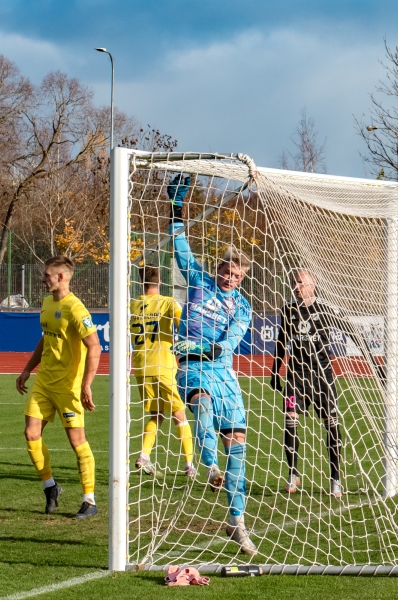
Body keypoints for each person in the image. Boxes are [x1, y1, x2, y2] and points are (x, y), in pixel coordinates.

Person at [166, 175, 256, 555]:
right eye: (225, 270)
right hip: (192, 368)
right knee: (200, 403)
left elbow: (229, 343)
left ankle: (237, 522)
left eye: (235, 274)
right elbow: (180, 247)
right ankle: (210, 467)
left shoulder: (244, 307)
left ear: (242, 277)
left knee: (238, 442)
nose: (228, 277)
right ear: (218, 268)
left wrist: (208, 345)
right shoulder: (199, 281)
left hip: (223, 373)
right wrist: (176, 208)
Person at [269, 269, 386, 497]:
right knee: (290, 420)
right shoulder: (288, 309)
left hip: (322, 377)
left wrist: (375, 365)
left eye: (301, 283)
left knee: (331, 424)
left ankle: (335, 478)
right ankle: (293, 473)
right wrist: (275, 372)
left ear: (313, 285)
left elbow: (354, 334)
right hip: (296, 377)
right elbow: (282, 341)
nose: (296, 287)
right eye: (295, 283)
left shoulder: (327, 310)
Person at [16, 256, 102, 519]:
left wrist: (86, 384)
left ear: (61, 277)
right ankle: (50, 486)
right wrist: (28, 368)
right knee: (31, 434)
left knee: (77, 442)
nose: (42, 279)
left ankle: (90, 500)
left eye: (46, 275)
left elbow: (95, 346)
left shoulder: (76, 309)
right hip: (44, 381)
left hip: (68, 387)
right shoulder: (46, 302)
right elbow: (46, 340)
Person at [130, 264, 195, 477]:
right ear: (160, 281)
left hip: (141, 367)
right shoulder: (167, 303)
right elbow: (184, 324)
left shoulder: (132, 305)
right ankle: (189, 465)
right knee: (179, 415)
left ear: (141, 281)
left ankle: (144, 456)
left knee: (156, 414)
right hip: (164, 366)